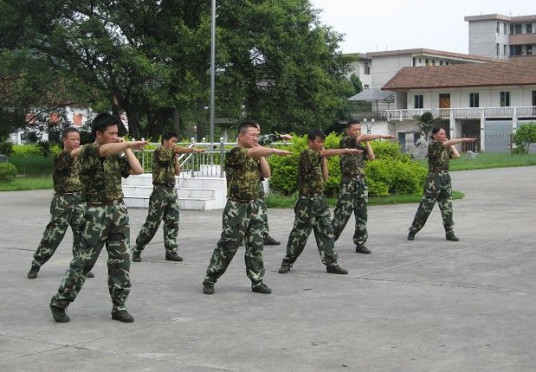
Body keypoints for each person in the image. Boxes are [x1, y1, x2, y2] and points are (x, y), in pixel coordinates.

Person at [49, 113, 147, 323]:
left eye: (117, 133)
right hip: (95, 215)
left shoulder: (114, 154)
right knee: (83, 263)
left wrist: (127, 147)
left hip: (118, 213)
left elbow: (138, 169)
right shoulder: (87, 151)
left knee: (121, 262)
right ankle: (60, 302)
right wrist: (129, 143)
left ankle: (119, 306)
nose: (115, 136)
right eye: (111, 133)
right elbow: (102, 150)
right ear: (98, 133)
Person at [202, 121, 291, 295]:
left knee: (256, 245)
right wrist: (272, 150)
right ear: (241, 136)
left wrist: (262, 155)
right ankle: (210, 278)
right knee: (228, 244)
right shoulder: (235, 153)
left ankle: (257, 280)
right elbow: (251, 152)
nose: (256, 138)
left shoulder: (255, 154)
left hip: (255, 205)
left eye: (257, 135)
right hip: (237, 206)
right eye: (252, 135)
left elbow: (266, 174)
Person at [278, 128, 362, 275]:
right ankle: (288, 261)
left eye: (322, 142)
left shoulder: (319, 156)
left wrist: (324, 159)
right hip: (306, 201)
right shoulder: (307, 154)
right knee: (300, 234)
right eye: (318, 142)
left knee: (326, 233)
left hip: (320, 199)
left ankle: (331, 263)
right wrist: (345, 150)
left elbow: (325, 177)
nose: (320, 144)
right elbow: (324, 152)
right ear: (310, 142)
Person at [27, 128, 94, 279]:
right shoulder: (60, 156)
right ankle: (36, 264)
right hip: (63, 201)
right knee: (53, 235)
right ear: (64, 140)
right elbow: (70, 157)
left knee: (82, 235)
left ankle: (81, 266)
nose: (76, 142)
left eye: (78, 139)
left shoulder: (83, 158)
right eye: (73, 139)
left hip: (80, 200)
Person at [132, 132, 204, 262]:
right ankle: (138, 248)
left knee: (173, 222)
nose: (174, 144)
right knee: (152, 223)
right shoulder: (160, 151)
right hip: (160, 191)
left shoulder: (171, 153)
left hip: (171, 190)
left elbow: (177, 172)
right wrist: (192, 149)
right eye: (172, 141)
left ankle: (171, 251)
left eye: (176, 141)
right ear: (165, 141)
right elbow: (176, 150)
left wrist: (176, 157)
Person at [331, 120, 394, 254]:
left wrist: (367, 142)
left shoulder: (360, 144)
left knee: (362, 214)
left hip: (360, 183)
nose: (358, 132)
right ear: (348, 131)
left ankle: (360, 242)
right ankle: (329, 240)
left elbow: (371, 157)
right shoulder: (346, 141)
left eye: (359, 129)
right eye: (355, 129)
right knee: (342, 214)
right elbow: (361, 137)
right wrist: (381, 136)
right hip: (348, 183)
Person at [407, 127, 476, 241]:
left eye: (445, 133)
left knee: (447, 207)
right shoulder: (433, 145)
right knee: (426, 207)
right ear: (434, 135)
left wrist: (451, 145)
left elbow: (457, 155)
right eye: (441, 133)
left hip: (445, 178)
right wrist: (462, 139)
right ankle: (413, 230)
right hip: (434, 180)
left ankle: (449, 232)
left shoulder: (446, 146)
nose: (444, 135)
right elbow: (446, 143)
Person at [257, 130, 292, 246]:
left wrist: (281, 137)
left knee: (261, 209)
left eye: (258, 133)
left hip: (257, 181)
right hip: (245, 185)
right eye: (255, 132)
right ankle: (237, 236)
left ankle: (264, 235)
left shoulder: (258, 142)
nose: (257, 135)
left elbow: (267, 138)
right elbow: (267, 138)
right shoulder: (249, 145)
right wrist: (281, 137)